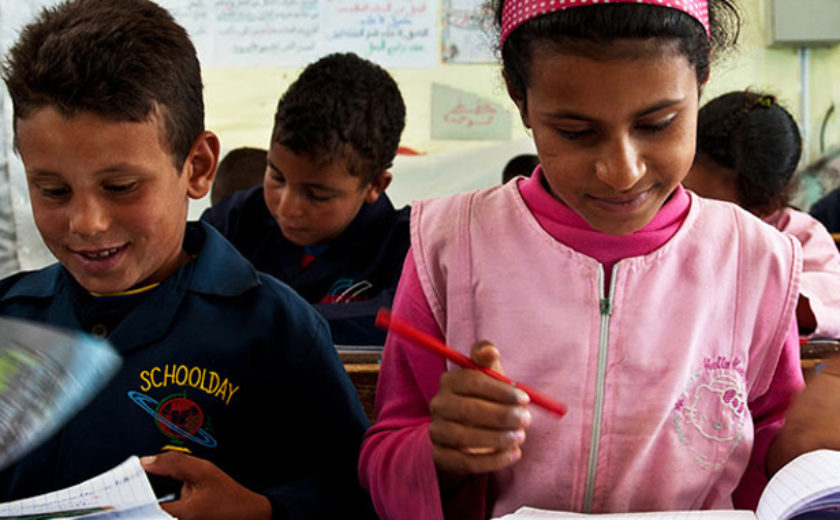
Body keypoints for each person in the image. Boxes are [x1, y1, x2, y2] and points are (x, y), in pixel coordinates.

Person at [358, 1, 840, 518]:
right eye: (576, 132)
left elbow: (764, 451)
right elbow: (385, 460)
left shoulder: (757, 260)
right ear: (520, 99)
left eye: (657, 124)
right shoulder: (451, 245)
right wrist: (442, 453)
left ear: (701, 83)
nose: (621, 172)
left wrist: (796, 449)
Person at [0, 1, 373, 519]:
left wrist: (261, 512)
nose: (86, 223)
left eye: (121, 187)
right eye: (53, 190)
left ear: (197, 167)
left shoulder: (274, 330)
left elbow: (354, 497)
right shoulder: (11, 317)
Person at [201, 52, 410, 346]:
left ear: (375, 185)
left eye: (317, 194)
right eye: (277, 178)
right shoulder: (231, 223)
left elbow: (401, 320)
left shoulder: (405, 247)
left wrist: (271, 320)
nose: (287, 208)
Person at [684, 90, 840, 338]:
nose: (691, 210)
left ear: (765, 207)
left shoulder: (798, 237)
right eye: (684, 192)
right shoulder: (659, 219)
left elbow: (827, 303)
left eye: (710, 204)